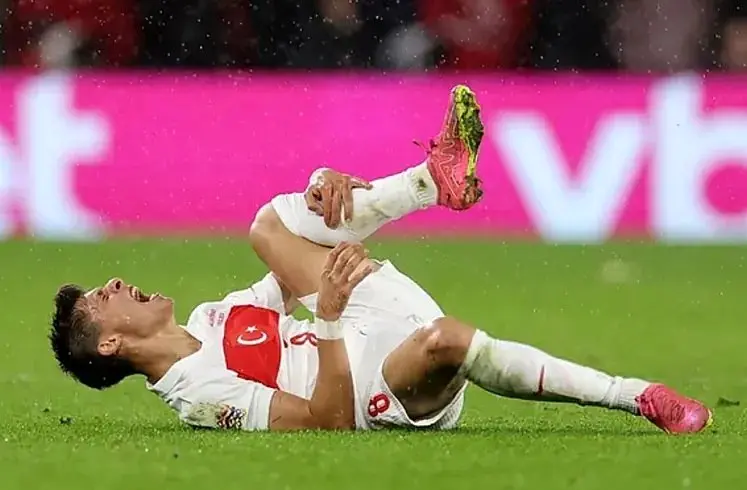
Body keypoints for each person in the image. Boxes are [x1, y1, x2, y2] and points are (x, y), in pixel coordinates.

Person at [49, 85, 712, 434]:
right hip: (378, 385)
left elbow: (291, 255)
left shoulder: (210, 317)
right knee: (451, 341)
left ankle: (430, 180)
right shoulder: (196, 392)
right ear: (110, 345)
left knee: (270, 224)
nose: (115, 282)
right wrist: (329, 317)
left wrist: (322, 186)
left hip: (364, 312)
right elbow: (328, 422)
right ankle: (639, 397)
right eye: (101, 298)